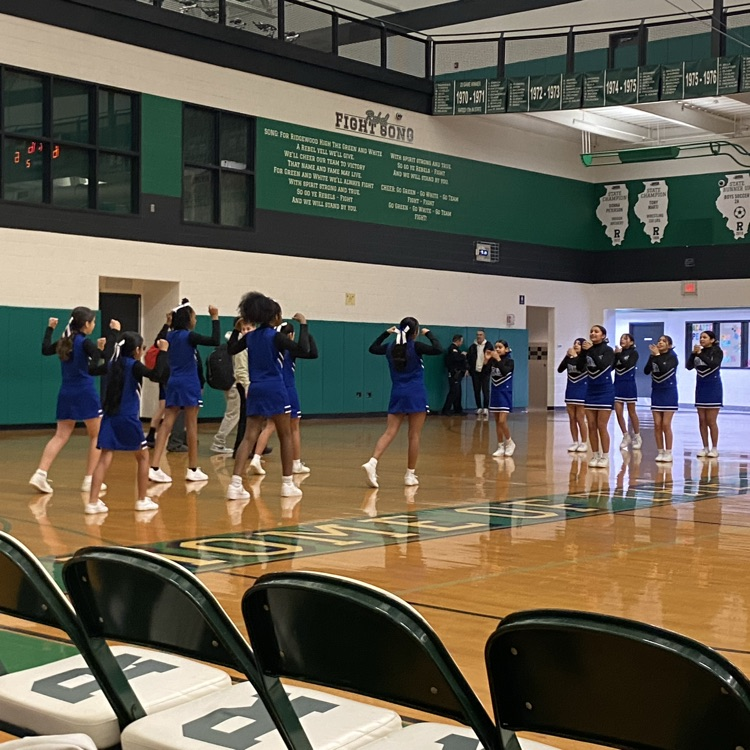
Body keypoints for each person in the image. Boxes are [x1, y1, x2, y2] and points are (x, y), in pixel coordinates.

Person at [225, 293, 310, 500]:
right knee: (285, 435)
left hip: (255, 389)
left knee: (249, 436)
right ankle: (287, 483)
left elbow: (231, 349)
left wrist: (237, 330)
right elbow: (303, 349)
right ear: (274, 317)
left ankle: (235, 484)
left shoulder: (250, 336)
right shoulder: (276, 336)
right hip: (275, 389)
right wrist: (304, 326)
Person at [29, 308, 119, 495]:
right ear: (86, 324)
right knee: (96, 436)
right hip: (85, 392)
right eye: (93, 322)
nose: (93, 325)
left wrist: (50, 328)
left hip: (66, 393)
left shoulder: (65, 342)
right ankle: (90, 479)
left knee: (60, 435)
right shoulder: (85, 343)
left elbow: (46, 350)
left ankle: (40, 473)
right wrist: (114, 334)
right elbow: (103, 360)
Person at [85, 332, 169, 515]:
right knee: (143, 457)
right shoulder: (135, 366)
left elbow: (91, 369)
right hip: (129, 418)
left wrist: (99, 351)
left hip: (110, 417)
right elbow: (157, 376)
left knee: (105, 457)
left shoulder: (111, 364)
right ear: (137, 350)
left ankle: (92, 503)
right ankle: (142, 499)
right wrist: (163, 353)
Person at [361, 317, 442, 488]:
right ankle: (409, 475)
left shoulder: (390, 348)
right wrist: (430, 334)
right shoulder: (416, 346)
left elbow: (372, 348)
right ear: (415, 332)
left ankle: (373, 462)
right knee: (414, 435)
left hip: (397, 392)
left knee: (390, 432)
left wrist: (385, 333)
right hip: (416, 393)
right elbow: (438, 349)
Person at [149, 299, 220, 483]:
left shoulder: (170, 337)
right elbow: (215, 340)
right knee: (192, 425)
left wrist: (167, 322)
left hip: (173, 382)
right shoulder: (189, 336)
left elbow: (159, 340)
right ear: (187, 319)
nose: (195, 319)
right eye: (194, 316)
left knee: (166, 424)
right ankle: (193, 468)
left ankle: (154, 466)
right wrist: (215, 318)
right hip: (189, 383)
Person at [248, 320, 318, 475]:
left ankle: (256, 458)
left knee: (269, 426)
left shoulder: (273, 346)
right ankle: (296, 463)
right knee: (293, 428)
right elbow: (313, 353)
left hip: (272, 388)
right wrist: (307, 333)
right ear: (291, 335)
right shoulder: (291, 349)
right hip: (287, 390)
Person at [211, 320, 253, 455]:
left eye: (249, 328)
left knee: (236, 415)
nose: (246, 331)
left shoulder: (237, 343)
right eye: (244, 329)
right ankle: (219, 442)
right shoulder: (241, 346)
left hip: (233, 383)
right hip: (236, 384)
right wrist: (247, 386)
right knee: (233, 415)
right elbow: (241, 370)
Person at [687, 329, 723, 457]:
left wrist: (700, 354)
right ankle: (705, 447)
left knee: (711, 420)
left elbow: (713, 364)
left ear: (712, 340)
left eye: (705, 337)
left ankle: (714, 448)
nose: (702, 339)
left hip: (713, 387)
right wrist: (693, 354)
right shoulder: (698, 352)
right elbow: (689, 366)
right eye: (701, 337)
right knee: (702, 420)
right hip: (701, 387)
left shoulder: (717, 351)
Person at [582, 325, 615, 469]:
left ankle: (605, 455)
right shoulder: (587, 351)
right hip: (590, 390)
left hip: (605, 390)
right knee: (591, 425)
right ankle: (595, 454)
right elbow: (581, 367)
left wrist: (590, 351)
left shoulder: (608, 350)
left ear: (603, 335)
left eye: (596, 331)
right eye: (591, 331)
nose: (592, 333)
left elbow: (603, 365)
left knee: (602, 425)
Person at [644, 335, 679, 462]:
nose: (660, 342)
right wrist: (652, 357)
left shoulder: (673, 357)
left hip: (669, 392)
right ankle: (660, 451)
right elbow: (646, 371)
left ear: (669, 345)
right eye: (659, 340)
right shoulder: (654, 356)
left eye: (664, 341)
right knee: (657, 424)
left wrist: (657, 356)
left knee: (666, 424)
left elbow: (664, 369)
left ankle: (668, 451)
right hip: (657, 392)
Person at [557, 338, 588, 452]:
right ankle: (575, 441)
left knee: (580, 418)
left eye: (579, 344)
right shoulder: (570, 358)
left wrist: (575, 357)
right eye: (574, 343)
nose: (576, 345)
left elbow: (581, 367)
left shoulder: (585, 358)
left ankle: (584, 442)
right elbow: (560, 369)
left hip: (582, 390)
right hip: (570, 389)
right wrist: (566, 356)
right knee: (572, 418)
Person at [486, 339, 515, 457]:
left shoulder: (510, 361)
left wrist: (497, 359)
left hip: (505, 393)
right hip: (495, 392)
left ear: (506, 349)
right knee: (497, 422)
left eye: (500, 347)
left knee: (502, 421)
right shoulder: (493, 361)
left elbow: (504, 371)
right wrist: (486, 360)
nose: (497, 349)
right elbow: (484, 373)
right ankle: (500, 446)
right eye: (496, 347)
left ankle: (510, 442)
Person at [613, 333, 641, 450]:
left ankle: (637, 436)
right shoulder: (618, 354)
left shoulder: (634, 353)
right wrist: (614, 356)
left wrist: (618, 355)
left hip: (629, 385)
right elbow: (611, 367)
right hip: (618, 385)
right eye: (621, 338)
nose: (622, 340)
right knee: (618, 412)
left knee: (631, 412)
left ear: (631, 342)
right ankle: (625, 435)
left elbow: (628, 365)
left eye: (625, 338)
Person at [467, 329, 492, 418]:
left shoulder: (489, 345)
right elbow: (469, 359)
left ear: (484, 336)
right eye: (477, 335)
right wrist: (468, 370)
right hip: (475, 372)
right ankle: (479, 407)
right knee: (476, 390)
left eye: (480, 334)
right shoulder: (472, 347)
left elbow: (491, 358)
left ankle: (486, 407)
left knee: (485, 390)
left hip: (485, 372)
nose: (479, 336)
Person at [440, 334, 467, 415]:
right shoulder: (453, 349)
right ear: (458, 341)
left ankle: (458, 409)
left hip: (457, 373)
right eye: (461, 341)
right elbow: (456, 359)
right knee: (453, 392)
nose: (461, 343)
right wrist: (463, 355)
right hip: (454, 373)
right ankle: (446, 409)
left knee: (458, 392)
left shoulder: (455, 349)